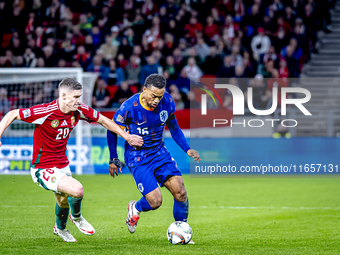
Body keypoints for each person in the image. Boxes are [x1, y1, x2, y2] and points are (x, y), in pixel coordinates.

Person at [0, 78, 143, 242]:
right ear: (63, 96)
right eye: (75, 97)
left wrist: (127, 136)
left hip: (62, 164)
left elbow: (104, 120)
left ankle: (60, 229)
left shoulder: (79, 110)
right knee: (77, 190)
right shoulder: (45, 111)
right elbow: (12, 114)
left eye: (79, 96)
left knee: (63, 201)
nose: (78, 101)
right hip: (42, 168)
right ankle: (77, 217)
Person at [107, 74, 201, 243]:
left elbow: (174, 127)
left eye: (160, 96)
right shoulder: (129, 107)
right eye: (153, 96)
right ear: (144, 90)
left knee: (180, 192)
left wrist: (187, 149)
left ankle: (181, 230)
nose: (157, 100)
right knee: (155, 201)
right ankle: (135, 207)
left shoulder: (168, 102)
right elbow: (112, 130)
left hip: (159, 153)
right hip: (138, 157)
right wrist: (113, 158)